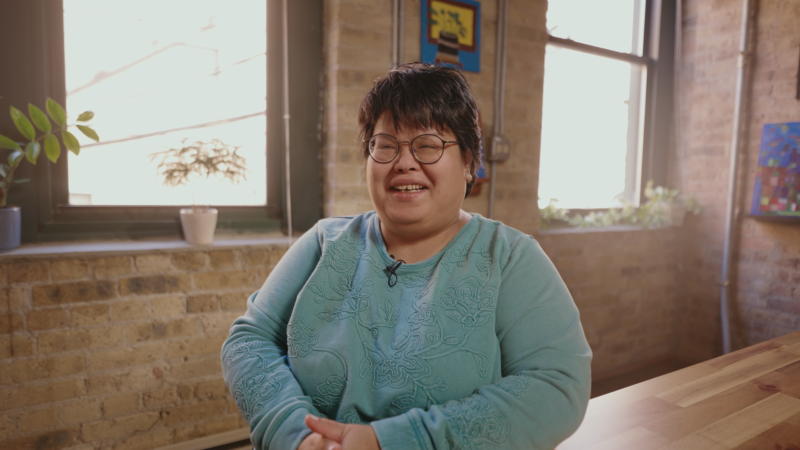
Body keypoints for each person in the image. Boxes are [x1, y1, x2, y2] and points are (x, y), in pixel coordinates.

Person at [221, 62, 592, 450]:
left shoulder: (510, 258)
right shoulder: (324, 243)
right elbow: (249, 340)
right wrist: (300, 436)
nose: (404, 162)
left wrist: (390, 441)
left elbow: (557, 385)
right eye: (385, 145)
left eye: (428, 145)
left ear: (469, 163)